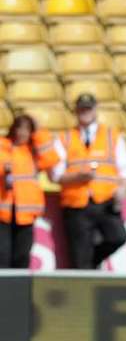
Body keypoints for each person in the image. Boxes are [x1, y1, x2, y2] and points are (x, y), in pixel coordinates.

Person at [52, 93, 126, 269]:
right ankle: (86, 270)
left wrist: (122, 189)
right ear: (76, 111)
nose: (85, 112)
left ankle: (93, 261)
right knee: (79, 256)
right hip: (76, 203)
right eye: (82, 109)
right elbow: (56, 175)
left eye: (88, 108)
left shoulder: (112, 135)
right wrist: (78, 177)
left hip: (105, 201)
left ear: (95, 110)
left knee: (118, 237)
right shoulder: (65, 138)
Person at [0, 115, 59, 268]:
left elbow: (51, 159)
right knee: (2, 255)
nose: (22, 133)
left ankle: (19, 291)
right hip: (3, 212)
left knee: (22, 256)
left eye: (27, 129)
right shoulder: (4, 145)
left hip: (25, 213)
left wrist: (39, 131)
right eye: (20, 128)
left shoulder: (33, 152)